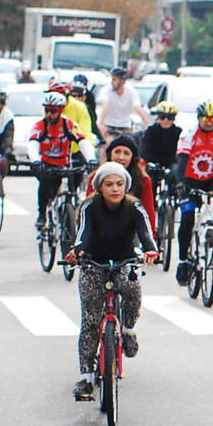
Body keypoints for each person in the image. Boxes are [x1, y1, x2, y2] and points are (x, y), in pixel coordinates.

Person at [67, 161, 160, 401]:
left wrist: (150, 251)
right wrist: (77, 252)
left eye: (120, 184)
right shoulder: (89, 206)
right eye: (109, 184)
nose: (115, 189)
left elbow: (146, 233)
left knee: (132, 292)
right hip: (93, 262)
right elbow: (83, 235)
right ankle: (86, 377)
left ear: (126, 186)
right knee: (89, 320)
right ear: (100, 187)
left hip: (125, 260)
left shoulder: (134, 206)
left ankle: (128, 330)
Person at [173, 100, 213, 285]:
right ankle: (183, 261)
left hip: (211, 177)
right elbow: (182, 160)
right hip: (189, 178)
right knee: (187, 218)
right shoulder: (189, 133)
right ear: (198, 118)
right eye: (205, 118)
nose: (209, 122)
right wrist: (180, 183)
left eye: (212, 118)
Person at [30, 91, 95, 229]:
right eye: (47, 110)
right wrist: (36, 160)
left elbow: (82, 142)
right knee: (46, 181)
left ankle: (70, 214)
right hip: (46, 165)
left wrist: (91, 159)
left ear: (60, 111)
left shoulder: (69, 124)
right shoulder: (40, 126)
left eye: (53, 111)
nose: (49, 114)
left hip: (65, 164)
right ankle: (42, 214)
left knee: (73, 183)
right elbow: (32, 144)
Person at [94, 135, 156, 238]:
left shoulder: (143, 180)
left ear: (133, 157)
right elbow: (90, 208)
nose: (121, 157)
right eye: (117, 152)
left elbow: (148, 212)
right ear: (110, 155)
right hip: (102, 227)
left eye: (126, 153)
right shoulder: (96, 177)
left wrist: (151, 241)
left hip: (131, 230)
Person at [97, 67, 147, 146]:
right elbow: (105, 107)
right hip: (109, 125)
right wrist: (101, 125)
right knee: (107, 144)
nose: (112, 82)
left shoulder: (131, 91)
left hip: (124, 126)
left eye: (114, 80)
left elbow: (138, 108)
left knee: (129, 146)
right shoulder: (106, 90)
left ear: (122, 81)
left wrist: (148, 124)